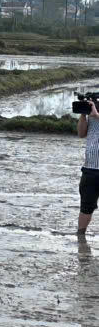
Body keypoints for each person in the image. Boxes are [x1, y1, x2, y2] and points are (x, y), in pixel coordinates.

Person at [76, 97, 99, 236]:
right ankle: (80, 235)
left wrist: (96, 115)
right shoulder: (92, 114)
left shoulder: (95, 114)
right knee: (86, 206)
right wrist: (83, 114)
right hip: (91, 168)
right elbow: (81, 133)